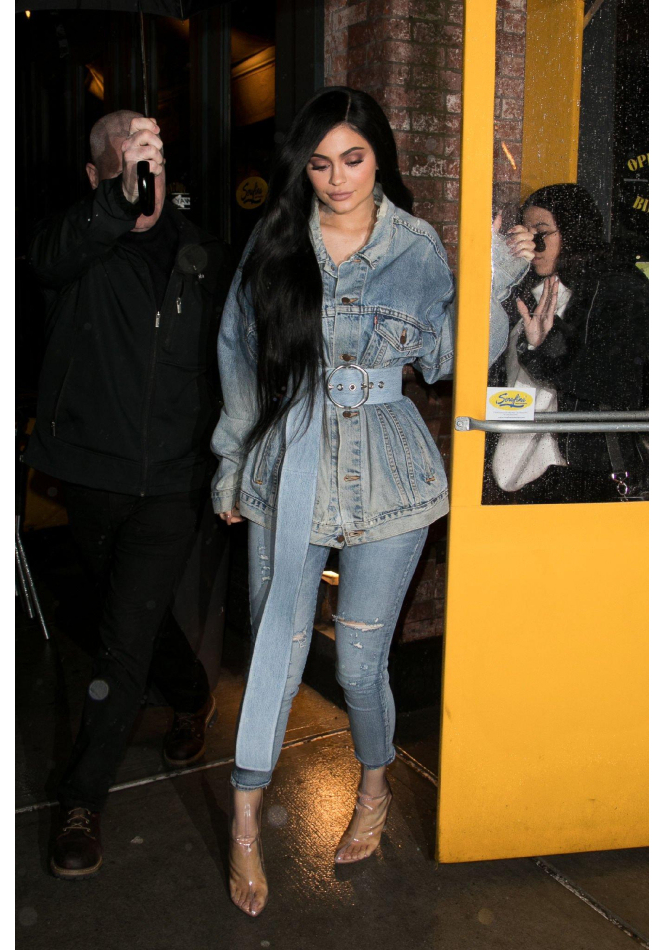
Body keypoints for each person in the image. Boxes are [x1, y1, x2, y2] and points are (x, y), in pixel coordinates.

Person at [210, 87, 531, 917]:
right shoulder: (276, 237)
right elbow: (240, 353)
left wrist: (495, 279)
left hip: (389, 470)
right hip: (290, 461)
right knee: (274, 651)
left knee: (357, 664)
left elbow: (456, 358)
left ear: (379, 156)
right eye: (319, 163)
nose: (336, 178)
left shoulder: (416, 246)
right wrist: (232, 462)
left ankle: (376, 783)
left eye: (352, 158)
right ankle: (245, 822)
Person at [23, 110, 231, 879]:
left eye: (154, 156)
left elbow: (231, 361)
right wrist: (114, 204)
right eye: (124, 158)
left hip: (173, 483)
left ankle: (82, 800)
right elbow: (45, 257)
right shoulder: (75, 244)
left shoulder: (200, 251)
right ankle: (191, 695)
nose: (144, 171)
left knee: (122, 638)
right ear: (95, 174)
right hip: (91, 474)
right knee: (129, 615)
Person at [490, 183, 648, 503]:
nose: (533, 245)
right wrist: (496, 274)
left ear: (574, 233)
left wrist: (549, 347)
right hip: (515, 468)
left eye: (542, 233)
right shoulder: (520, 288)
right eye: (525, 233)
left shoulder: (618, 287)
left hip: (585, 470)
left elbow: (622, 382)